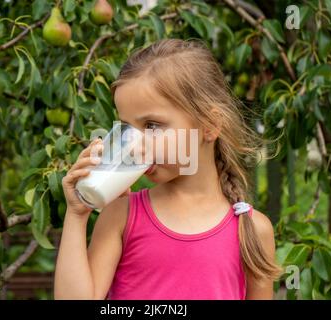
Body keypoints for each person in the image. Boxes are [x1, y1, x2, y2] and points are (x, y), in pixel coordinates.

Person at [54, 38, 282, 300]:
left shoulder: (252, 229)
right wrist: (76, 214)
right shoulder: (120, 216)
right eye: (127, 128)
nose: (134, 145)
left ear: (209, 125)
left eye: (152, 126)